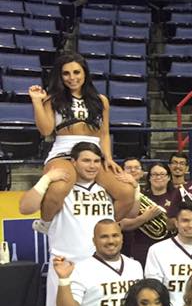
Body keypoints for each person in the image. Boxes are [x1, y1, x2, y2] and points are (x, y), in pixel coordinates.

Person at [19, 142, 127, 306]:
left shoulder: (105, 190)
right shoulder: (60, 189)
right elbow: (25, 207)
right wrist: (46, 179)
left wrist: (130, 186)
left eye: (96, 161)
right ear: (74, 162)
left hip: (99, 266)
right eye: (86, 161)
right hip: (65, 263)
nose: (91, 166)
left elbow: (129, 212)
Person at [26, 52, 136, 222]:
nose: (72, 78)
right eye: (66, 73)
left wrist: (107, 157)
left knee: (127, 192)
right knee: (58, 189)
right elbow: (46, 130)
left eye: (76, 72)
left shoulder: (101, 100)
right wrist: (36, 102)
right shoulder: (53, 99)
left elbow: (104, 133)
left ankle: (104, 228)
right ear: (60, 76)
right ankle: (45, 223)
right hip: (64, 154)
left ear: (85, 73)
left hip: (94, 155)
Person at [120, 162, 180, 265]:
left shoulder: (177, 196)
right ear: (149, 178)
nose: (158, 177)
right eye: (155, 174)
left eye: (162, 174)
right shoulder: (139, 196)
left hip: (169, 249)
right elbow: (123, 224)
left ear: (169, 177)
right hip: (142, 248)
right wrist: (144, 218)